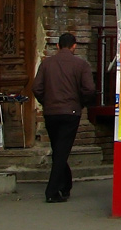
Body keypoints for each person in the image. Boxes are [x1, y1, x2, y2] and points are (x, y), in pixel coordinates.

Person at [32, 32, 96, 203]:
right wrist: (81, 102)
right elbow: (89, 89)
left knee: (59, 150)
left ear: (58, 46)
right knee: (61, 151)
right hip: (71, 112)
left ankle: (65, 185)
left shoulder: (46, 64)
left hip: (51, 112)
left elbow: (36, 87)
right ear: (74, 46)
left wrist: (46, 102)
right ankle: (51, 192)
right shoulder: (81, 65)